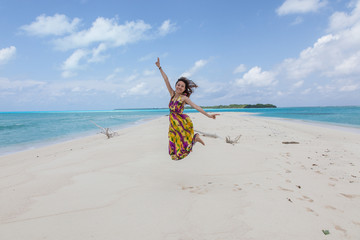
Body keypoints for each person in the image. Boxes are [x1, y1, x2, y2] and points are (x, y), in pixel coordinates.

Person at [155, 57, 219, 160]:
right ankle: (195, 139)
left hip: (181, 124)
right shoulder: (172, 94)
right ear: (175, 85)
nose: (179, 87)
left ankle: (195, 138)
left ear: (184, 89)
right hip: (173, 126)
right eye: (178, 84)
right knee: (174, 155)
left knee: (181, 149)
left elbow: (196, 107)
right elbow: (166, 79)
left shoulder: (184, 98)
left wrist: (209, 115)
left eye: (182, 86)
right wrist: (159, 67)